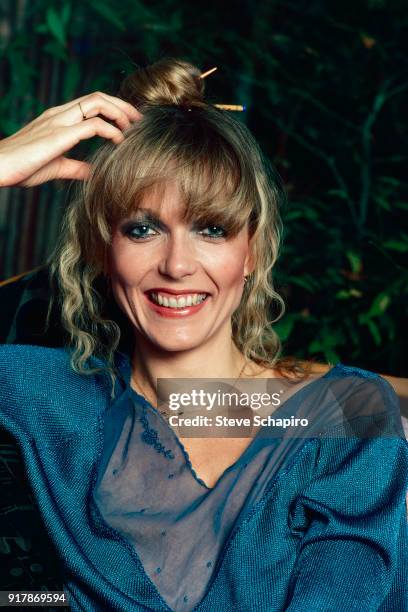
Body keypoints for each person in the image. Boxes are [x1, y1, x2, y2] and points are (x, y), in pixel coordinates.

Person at [0, 58, 407, 611]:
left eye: (210, 228)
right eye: (142, 229)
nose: (176, 265)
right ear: (102, 249)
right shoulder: (44, 394)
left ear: (253, 250)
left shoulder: (346, 418)